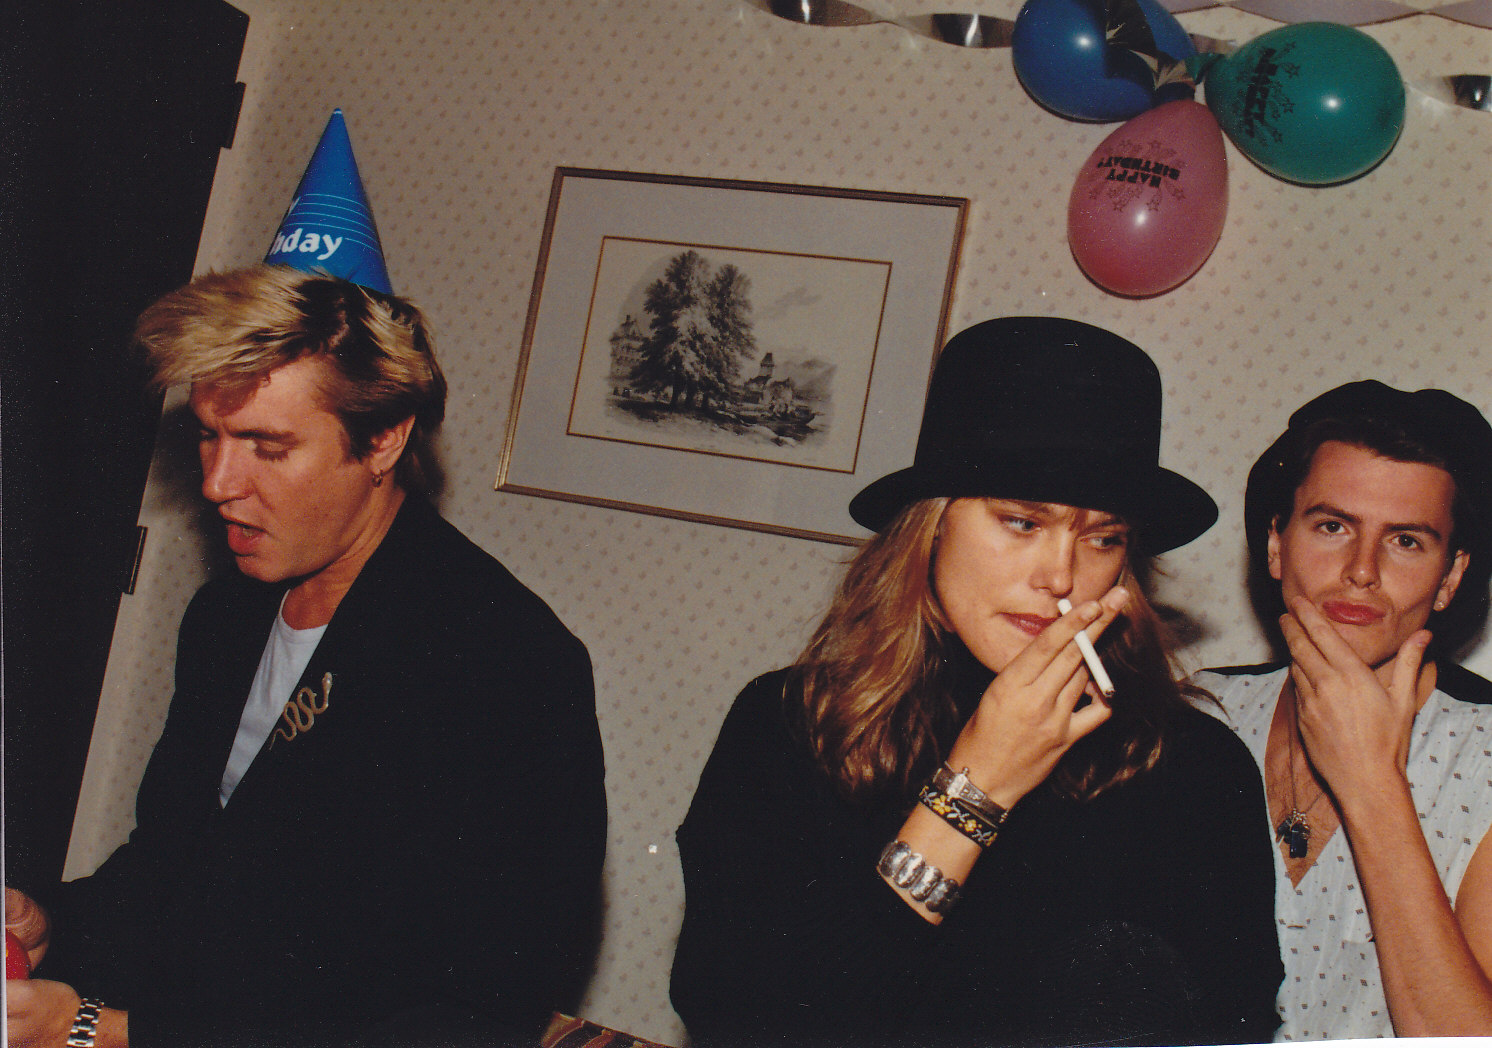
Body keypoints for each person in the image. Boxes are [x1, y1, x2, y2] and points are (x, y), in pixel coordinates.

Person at [5, 266, 607, 1048]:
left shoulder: (504, 663)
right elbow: (177, 869)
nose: (218, 483)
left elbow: (465, 1013)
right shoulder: (226, 615)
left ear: (383, 438)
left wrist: (100, 1028)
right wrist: (55, 924)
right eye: (209, 435)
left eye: (268, 446)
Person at [670, 317, 1283, 1048]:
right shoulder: (791, 723)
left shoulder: (1193, 768)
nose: (1061, 575)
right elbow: (738, 1020)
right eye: (1022, 522)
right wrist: (975, 789)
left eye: (1103, 538)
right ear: (931, 527)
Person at [1194, 380, 1492, 1038]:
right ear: (1276, 544)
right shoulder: (1203, 713)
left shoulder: (1484, 756)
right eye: (1332, 527)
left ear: (1450, 576)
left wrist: (1371, 782)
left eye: (1405, 541)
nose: (1361, 570)